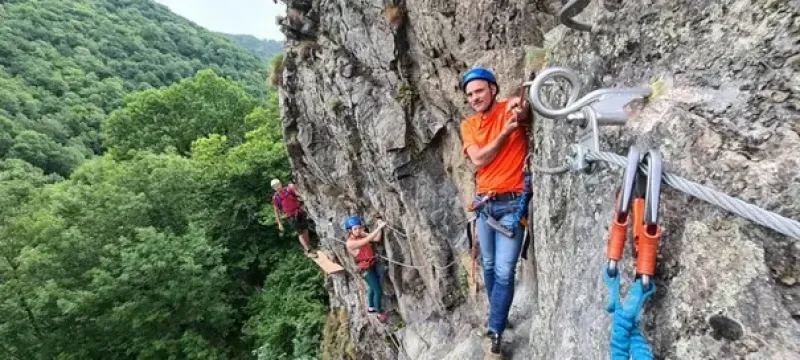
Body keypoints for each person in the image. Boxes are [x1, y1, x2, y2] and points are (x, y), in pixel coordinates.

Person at [459, 67, 528, 355]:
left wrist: (519, 112)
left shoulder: (508, 108)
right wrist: (505, 133)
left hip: (513, 203)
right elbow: (478, 158)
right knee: (488, 265)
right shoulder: (469, 125)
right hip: (486, 205)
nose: (475, 97)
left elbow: (522, 113)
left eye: (479, 91)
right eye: (470, 94)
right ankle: (498, 317)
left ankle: (495, 331)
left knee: (504, 269)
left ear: (493, 89)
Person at [345, 215, 389, 323]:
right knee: (378, 291)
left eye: (359, 227)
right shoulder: (350, 243)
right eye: (355, 229)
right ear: (350, 231)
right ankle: (379, 313)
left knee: (373, 288)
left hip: (371, 265)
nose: (358, 230)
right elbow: (367, 240)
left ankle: (371, 307)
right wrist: (379, 227)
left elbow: (376, 238)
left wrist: (379, 226)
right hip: (366, 270)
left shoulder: (361, 234)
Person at [271, 178, 315, 257]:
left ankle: (308, 247)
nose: (277, 187)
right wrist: (279, 223)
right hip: (290, 216)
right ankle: (308, 250)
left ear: (280, 183)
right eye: (275, 186)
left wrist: (294, 187)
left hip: (299, 212)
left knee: (305, 230)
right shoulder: (276, 197)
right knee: (300, 233)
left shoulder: (288, 190)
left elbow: (298, 194)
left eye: (278, 184)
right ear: (273, 188)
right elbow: (276, 211)